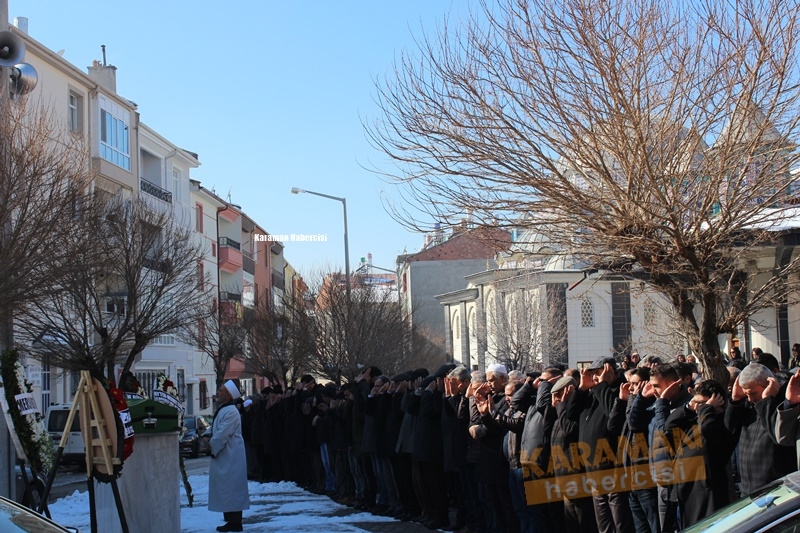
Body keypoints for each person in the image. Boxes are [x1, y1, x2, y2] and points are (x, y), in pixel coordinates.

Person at [206, 380, 250, 532]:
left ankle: (235, 522)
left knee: (232, 489)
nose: (217, 392)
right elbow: (216, 430)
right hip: (226, 456)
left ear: (228, 395)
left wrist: (211, 445)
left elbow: (223, 433)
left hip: (231, 456)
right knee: (227, 489)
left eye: (221, 390)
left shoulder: (231, 411)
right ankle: (230, 520)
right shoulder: (225, 410)